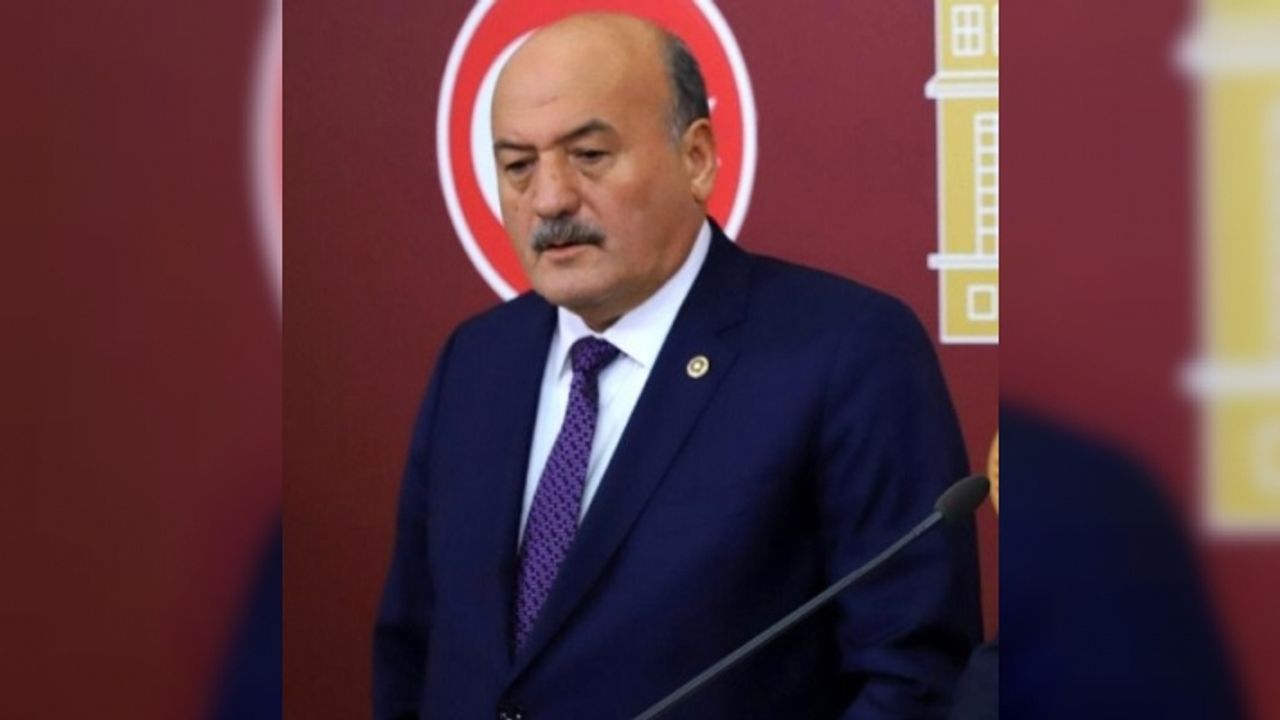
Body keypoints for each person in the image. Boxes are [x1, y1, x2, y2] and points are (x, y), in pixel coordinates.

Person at [374, 12, 980, 719]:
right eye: (518, 165)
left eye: (589, 155)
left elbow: (912, 675)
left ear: (696, 158)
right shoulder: (476, 363)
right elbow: (413, 651)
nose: (550, 197)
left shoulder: (845, 352)